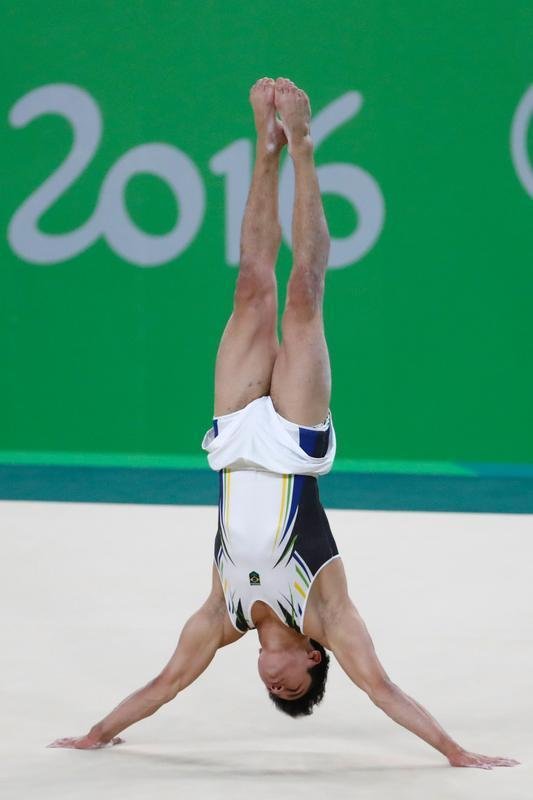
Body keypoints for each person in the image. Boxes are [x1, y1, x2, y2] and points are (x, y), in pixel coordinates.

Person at [48, 77, 519, 770]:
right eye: (294, 684)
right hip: (294, 443)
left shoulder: (223, 616)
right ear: (311, 655)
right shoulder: (327, 613)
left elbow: (166, 683)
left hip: (237, 443)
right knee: (302, 295)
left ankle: (259, 145)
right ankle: (299, 146)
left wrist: (97, 732)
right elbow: (379, 687)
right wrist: (452, 751)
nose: (276, 683)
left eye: (274, 691)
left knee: (250, 283)